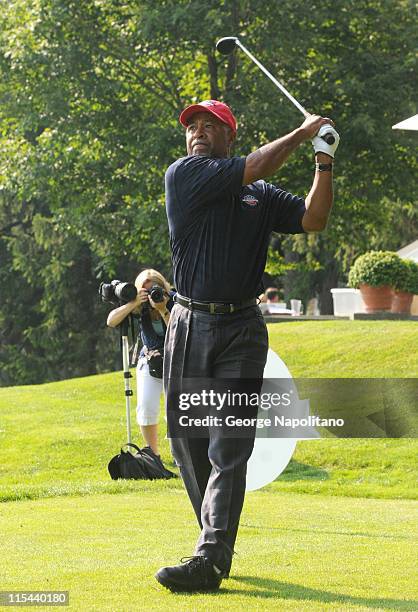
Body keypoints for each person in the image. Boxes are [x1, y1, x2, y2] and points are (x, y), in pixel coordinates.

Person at [156, 99, 339, 592]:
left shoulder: (258, 194)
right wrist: (302, 134)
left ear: (229, 135)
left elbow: (313, 219)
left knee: (228, 446)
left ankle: (211, 556)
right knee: (187, 442)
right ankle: (213, 539)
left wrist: (323, 162)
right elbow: (256, 164)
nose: (197, 131)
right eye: (191, 125)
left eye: (208, 125)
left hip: (242, 330)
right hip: (189, 322)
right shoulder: (185, 174)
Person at [107, 269, 173, 456]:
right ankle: (153, 454)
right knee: (146, 406)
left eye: (155, 288)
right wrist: (134, 302)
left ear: (163, 286)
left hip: (176, 359)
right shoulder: (138, 305)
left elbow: (179, 332)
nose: (153, 293)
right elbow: (111, 321)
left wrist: (162, 309)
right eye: (146, 290)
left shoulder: (174, 299)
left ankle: (181, 454)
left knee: (176, 409)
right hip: (150, 359)